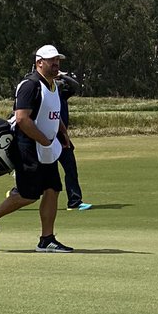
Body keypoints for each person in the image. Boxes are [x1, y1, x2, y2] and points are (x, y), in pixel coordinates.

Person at [0, 45, 75, 253]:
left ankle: (47, 239)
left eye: (57, 60)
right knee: (28, 194)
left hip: (45, 145)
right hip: (27, 145)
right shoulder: (30, 86)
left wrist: (62, 133)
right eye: (51, 60)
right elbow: (22, 119)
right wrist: (44, 141)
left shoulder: (53, 85)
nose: (56, 64)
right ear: (39, 63)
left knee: (52, 189)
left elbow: (52, 113)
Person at [56, 71, 92, 211]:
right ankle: (18, 191)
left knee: (71, 169)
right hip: (48, 138)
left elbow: (75, 85)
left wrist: (62, 76)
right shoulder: (43, 94)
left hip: (63, 138)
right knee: (40, 172)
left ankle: (75, 201)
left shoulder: (62, 95)